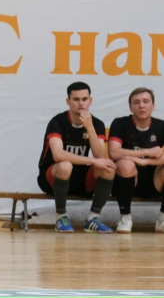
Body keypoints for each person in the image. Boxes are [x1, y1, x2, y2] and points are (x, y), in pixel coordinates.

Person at [37, 81, 116, 233]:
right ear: (68, 101)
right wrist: (92, 161)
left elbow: (100, 157)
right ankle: (61, 218)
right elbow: (58, 155)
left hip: (79, 177)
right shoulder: (57, 122)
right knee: (65, 165)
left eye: (84, 99)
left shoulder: (96, 124)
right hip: (51, 178)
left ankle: (93, 219)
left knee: (108, 168)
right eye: (76, 99)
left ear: (90, 101)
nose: (81, 103)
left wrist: (90, 128)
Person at [109, 87, 164, 234]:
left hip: (155, 181)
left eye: (146, 101)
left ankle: (162, 219)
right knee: (125, 164)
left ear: (153, 106)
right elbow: (114, 152)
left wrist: (146, 162)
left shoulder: (161, 126)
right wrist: (146, 152)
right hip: (128, 181)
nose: (141, 106)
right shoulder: (120, 123)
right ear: (130, 107)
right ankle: (125, 218)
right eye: (136, 102)